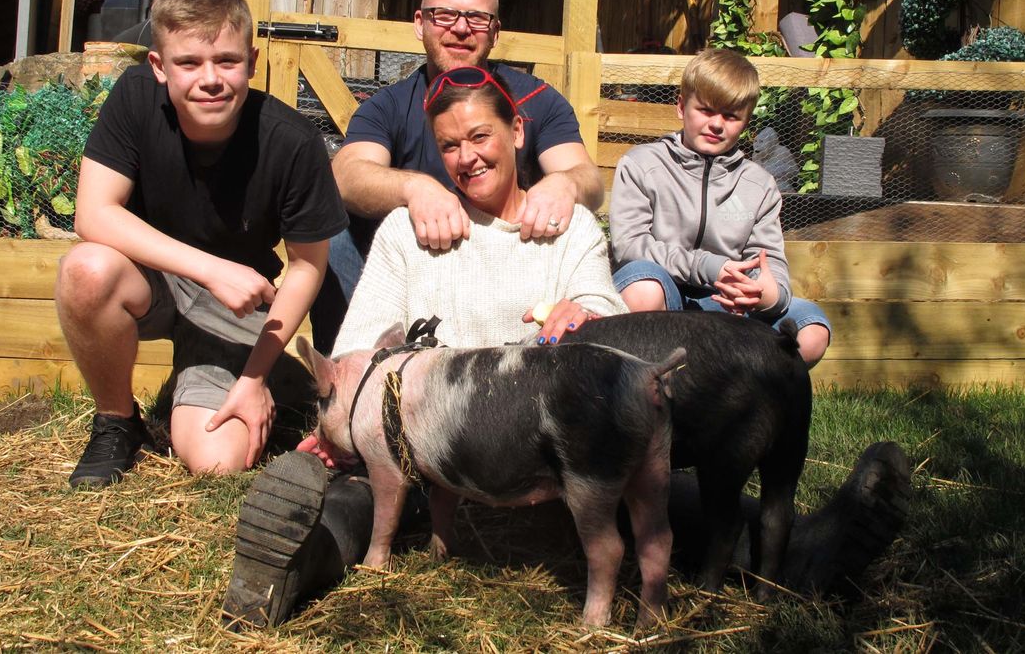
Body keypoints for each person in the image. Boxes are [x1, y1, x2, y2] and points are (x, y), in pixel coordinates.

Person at [223, 66, 910, 628]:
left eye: (482, 136)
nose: (468, 156)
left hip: (546, 442)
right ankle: (293, 559)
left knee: (653, 489)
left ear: (519, 132)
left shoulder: (569, 228)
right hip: (441, 452)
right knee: (366, 487)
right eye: (451, 145)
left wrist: (583, 310)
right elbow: (360, 350)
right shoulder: (410, 230)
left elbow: (613, 340)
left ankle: (802, 551)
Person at [56, 0, 347, 488]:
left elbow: (307, 266)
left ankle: (267, 380)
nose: (209, 79)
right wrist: (212, 269)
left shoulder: (293, 142)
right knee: (86, 268)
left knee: (218, 461)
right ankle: (117, 422)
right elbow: (93, 214)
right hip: (156, 279)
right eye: (188, 63)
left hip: (237, 307)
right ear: (158, 67)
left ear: (252, 63)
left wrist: (254, 378)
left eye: (227, 61)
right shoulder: (133, 100)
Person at [308, 0, 604, 352]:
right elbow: (346, 173)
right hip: (416, 271)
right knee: (331, 231)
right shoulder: (390, 106)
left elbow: (587, 179)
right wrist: (417, 188)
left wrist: (564, 183)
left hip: (514, 266)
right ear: (420, 23)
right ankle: (347, 376)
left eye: (477, 18)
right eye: (444, 14)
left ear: (495, 32)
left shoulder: (538, 100)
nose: (460, 28)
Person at [609, 48, 831, 366]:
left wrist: (766, 293)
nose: (716, 124)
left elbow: (769, 262)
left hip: (724, 304)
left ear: (745, 121)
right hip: (665, 296)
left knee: (811, 332)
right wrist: (711, 267)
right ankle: (644, 395)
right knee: (643, 286)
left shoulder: (759, 184)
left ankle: (740, 404)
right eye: (706, 110)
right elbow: (630, 246)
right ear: (682, 107)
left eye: (730, 116)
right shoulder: (643, 164)